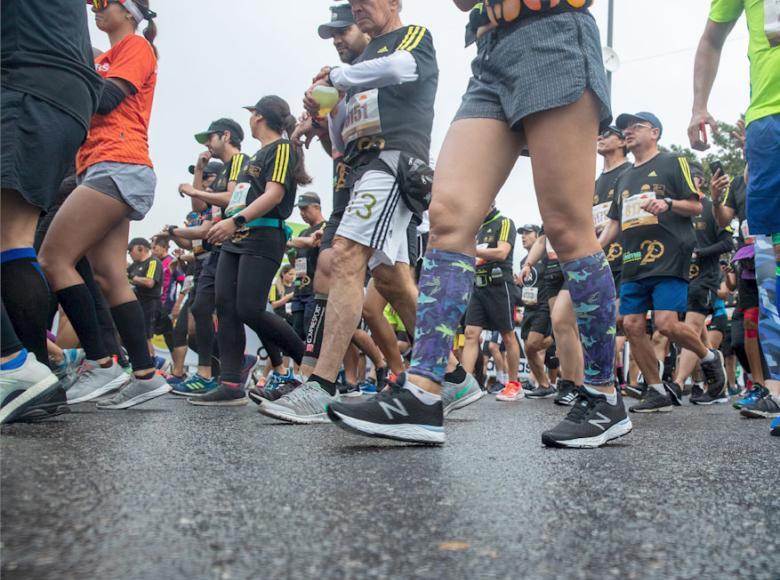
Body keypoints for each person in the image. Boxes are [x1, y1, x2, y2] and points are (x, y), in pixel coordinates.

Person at [329, 0, 626, 448]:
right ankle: (423, 391)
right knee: (447, 216)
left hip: (554, 35)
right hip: (490, 52)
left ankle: (604, 394)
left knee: (566, 226)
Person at [262, 0, 439, 424]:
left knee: (343, 257)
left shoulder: (410, 37)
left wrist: (338, 78)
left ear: (394, 3)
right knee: (390, 278)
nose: (359, 10)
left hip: (395, 161)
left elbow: (401, 68)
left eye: (366, 2)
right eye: (353, 4)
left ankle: (321, 386)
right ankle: (448, 372)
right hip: (363, 169)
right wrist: (328, 113)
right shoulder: (360, 66)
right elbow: (342, 144)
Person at [38, 0, 170, 410]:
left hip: (118, 164)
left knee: (52, 259)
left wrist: (66, 76)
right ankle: (146, 375)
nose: (93, 7)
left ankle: (100, 361)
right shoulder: (107, 55)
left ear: (129, 10)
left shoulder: (135, 47)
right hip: (102, 168)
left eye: (102, 1)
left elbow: (107, 99)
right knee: (110, 274)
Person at [0, 0, 103, 423]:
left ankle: (11, 364)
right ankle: (32, 377)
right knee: (13, 240)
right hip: (63, 93)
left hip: (27, 80)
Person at [599, 112, 727, 413]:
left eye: (636, 127)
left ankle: (708, 356)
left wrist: (667, 203)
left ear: (654, 132)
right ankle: (656, 390)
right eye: (626, 128)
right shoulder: (624, 177)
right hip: (632, 260)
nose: (628, 132)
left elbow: (696, 205)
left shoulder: (672, 162)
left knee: (665, 324)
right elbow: (614, 223)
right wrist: (595, 248)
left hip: (669, 256)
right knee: (630, 324)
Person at [690, 0, 780, 430]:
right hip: (769, 120)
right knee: (769, 253)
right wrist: (698, 105)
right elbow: (711, 38)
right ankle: (776, 388)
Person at [190, 95, 310, 406]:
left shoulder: (282, 148)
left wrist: (236, 220)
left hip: (264, 234)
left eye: (252, 113)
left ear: (259, 116)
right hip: (235, 237)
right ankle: (230, 383)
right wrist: (225, 224)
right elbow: (238, 198)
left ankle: (314, 367)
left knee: (249, 308)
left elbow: (274, 195)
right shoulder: (254, 157)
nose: (250, 118)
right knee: (225, 305)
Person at [172, 119, 248, 397]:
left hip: (237, 244)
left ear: (226, 135)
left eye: (210, 137)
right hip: (216, 249)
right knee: (203, 307)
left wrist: (196, 188)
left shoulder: (239, 162)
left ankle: (271, 366)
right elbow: (199, 208)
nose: (207, 144)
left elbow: (232, 200)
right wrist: (200, 170)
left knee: (243, 311)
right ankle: (207, 372)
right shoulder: (224, 169)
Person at [672, 162, 734, 400]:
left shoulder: (712, 208)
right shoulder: (680, 211)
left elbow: (728, 243)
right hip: (682, 278)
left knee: (692, 329)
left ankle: (677, 384)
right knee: (698, 336)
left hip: (705, 277)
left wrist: (700, 252)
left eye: (692, 179)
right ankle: (717, 386)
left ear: (699, 181)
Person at [461, 205, 522, 401]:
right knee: (470, 334)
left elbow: (502, 252)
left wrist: (471, 250)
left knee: (507, 334)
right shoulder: (475, 227)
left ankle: (513, 384)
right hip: (477, 286)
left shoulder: (503, 222)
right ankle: (464, 386)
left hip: (499, 285)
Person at [516, 225, 556, 399]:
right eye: (521, 234)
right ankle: (544, 384)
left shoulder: (548, 254)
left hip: (545, 305)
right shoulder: (524, 261)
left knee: (533, 345)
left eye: (527, 233)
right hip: (529, 307)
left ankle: (560, 340)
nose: (523, 237)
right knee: (529, 348)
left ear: (538, 236)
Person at [287, 192, 326, 340]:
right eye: (300, 209)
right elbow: (295, 263)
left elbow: (312, 242)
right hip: (299, 289)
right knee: (296, 335)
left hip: (315, 291)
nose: (302, 213)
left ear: (317, 207)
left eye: (305, 208)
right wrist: (290, 253)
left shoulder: (326, 227)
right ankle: (299, 364)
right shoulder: (303, 231)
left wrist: (286, 240)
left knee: (313, 335)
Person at [126, 237, 163, 356]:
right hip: (136, 303)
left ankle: (151, 362)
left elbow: (149, 282)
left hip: (150, 303)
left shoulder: (153, 262)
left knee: (146, 336)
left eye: (130, 250)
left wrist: (132, 277)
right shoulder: (134, 265)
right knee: (137, 335)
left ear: (140, 248)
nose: (129, 254)